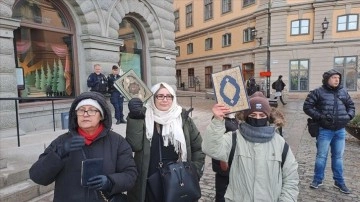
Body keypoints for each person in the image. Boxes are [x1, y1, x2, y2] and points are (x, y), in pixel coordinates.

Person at [29, 92, 138, 201]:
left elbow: (130, 175)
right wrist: (57, 154)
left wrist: (110, 181)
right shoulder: (62, 141)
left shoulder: (117, 142)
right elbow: (37, 176)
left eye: (91, 110)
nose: (85, 114)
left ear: (101, 115)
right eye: (81, 110)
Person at [202, 92, 299, 201]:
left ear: (267, 117)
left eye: (261, 115)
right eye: (253, 115)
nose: (257, 118)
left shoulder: (280, 144)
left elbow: (291, 179)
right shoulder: (234, 138)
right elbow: (210, 148)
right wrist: (217, 120)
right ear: (246, 116)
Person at [125, 82, 206, 202]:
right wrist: (134, 118)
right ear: (153, 98)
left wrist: (194, 172)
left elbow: (198, 148)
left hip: (179, 179)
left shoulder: (183, 119)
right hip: (149, 181)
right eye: (160, 96)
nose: (165, 100)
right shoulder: (143, 117)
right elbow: (134, 145)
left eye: (169, 96)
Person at [303, 69, 355, 194]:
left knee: (338, 157)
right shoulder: (318, 92)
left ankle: (339, 182)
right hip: (324, 130)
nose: (337, 80)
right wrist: (319, 116)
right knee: (321, 156)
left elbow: (351, 106)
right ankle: (317, 179)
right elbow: (307, 107)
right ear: (327, 79)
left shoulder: (343, 92)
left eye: (338, 77)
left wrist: (348, 116)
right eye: (333, 77)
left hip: (340, 131)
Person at [211, 114, 238, 202]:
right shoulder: (220, 118)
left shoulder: (237, 117)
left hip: (236, 161)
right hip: (224, 162)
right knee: (222, 193)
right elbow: (216, 140)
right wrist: (223, 160)